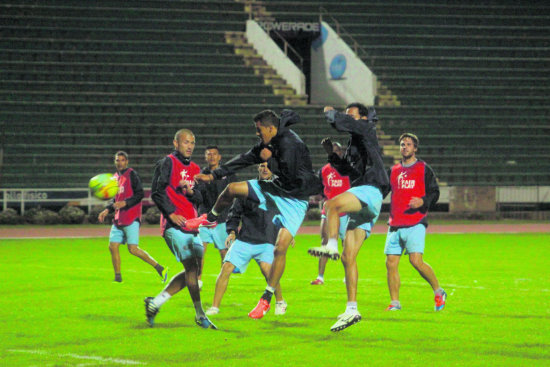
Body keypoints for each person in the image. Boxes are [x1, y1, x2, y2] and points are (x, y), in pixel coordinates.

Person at [188, 109, 322, 319]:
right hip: (275, 187)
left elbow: (291, 175)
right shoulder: (268, 143)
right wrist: (213, 175)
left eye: (259, 130)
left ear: (270, 128)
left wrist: (271, 161)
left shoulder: (291, 144)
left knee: (280, 248)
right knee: (231, 188)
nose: (257, 134)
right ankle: (210, 218)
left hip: (295, 198)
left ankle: (267, 298)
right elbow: (245, 158)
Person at [310, 103, 390, 332]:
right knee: (348, 258)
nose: (348, 117)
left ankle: (331, 245)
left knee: (331, 204)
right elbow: (348, 172)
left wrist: (330, 113)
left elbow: (343, 123)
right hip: (367, 203)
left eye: (351, 114)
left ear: (363, 118)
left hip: (370, 190)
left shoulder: (366, 128)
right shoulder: (358, 143)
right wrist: (331, 156)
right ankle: (352, 309)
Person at [144, 129, 216, 330]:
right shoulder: (167, 163)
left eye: (192, 142)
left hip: (191, 225)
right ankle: (200, 315)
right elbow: (157, 192)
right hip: (173, 225)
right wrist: (171, 213)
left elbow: (200, 198)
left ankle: (155, 303)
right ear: (175, 143)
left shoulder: (195, 168)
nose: (190, 146)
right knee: (192, 269)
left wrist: (190, 190)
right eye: (185, 142)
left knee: (194, 270)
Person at [205, 162, 287, 316]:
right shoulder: (248, 189)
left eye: (268, 166)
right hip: (246, 239)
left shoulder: (279, 190)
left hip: (268, 239)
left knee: (267, 269)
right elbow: (234, 212)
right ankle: (214, 307)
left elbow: (287, 213)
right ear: (257, 168)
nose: (264, 168)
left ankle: (280, 301)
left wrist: (288, 232)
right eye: (261, 166)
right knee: (226, 267)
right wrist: (232, 231)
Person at [384, 133, 446, 312]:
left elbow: (435, 192)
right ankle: (395, 302)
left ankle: (438, 291)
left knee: (416, 261)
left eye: (408, 144)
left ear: (415, 148)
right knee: (391, 263)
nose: (405, 147)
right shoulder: (393, 171)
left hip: (415, 222)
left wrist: (423, 201)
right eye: (402, 144)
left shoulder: (424, 168)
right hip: (395, 223)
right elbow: (382, 191)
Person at [98, 151, 168, 283]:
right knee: (112, 246)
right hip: (119, 219)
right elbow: (115, 199)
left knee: (133, 249)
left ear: (127, 162)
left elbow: (140, 194)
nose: (120, 163)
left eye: (122, 160)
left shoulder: (132, 175)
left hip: (131, 217)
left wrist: (125, 203)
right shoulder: (114, 178)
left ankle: (160, 268)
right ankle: (118, 278)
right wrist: (106, 210)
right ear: (115, 162)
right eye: (117, 160)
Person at [308, 141, 351, 285]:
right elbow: (320, 190)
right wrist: (316, 196)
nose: (335, 153)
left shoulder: (348, 169)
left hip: (345, 211)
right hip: (328, 210)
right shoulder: (324, 171)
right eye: (332, 151)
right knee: (324, 242)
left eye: (338, 150)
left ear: (342, 152)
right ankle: (320, 277)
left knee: (347, 244)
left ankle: (348, 275)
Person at [196, 146, 238, 289]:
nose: (212, 156)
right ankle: (198, 280)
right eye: (209, 154)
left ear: (219, 157)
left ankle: (222, 280)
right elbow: (198, 194)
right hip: (205, 218)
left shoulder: (228, 173)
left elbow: (235, 192)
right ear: (205, 157)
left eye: (214, 154)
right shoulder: (201, 174)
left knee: (223, 252)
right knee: (200, 250)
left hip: (222, 218)